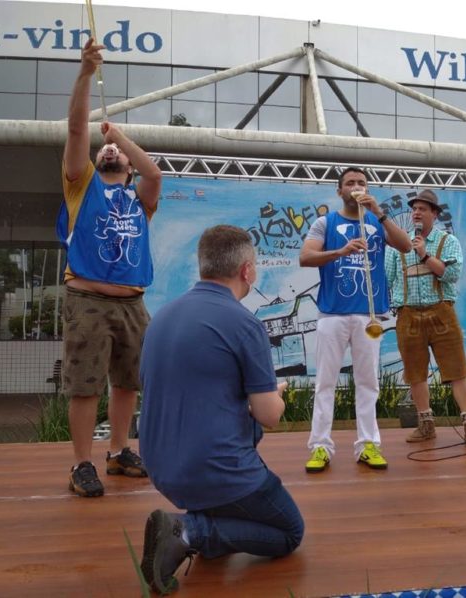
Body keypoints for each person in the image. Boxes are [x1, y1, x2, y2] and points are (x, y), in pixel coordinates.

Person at [138, 225, 304, 594]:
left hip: (161, 467)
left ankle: (201, 519)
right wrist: (274, 394)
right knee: (290, 532)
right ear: (247, 271)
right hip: (211, 469)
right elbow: (269, 416)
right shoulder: (244, 323)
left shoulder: (161, 317)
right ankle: (190, 531)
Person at [59, 38, 162, 497]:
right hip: (87, 299)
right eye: (105, 152)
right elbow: (78, 129)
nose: (108, 153)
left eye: (115, 154)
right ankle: (81, 463)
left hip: (134, 302)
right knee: (85, 385)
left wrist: (119, 137)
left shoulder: (141, 197)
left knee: (128, 382)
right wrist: (84, 73)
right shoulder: (82, 187)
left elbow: (155, 173)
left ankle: (119, 451)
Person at [299, 167, 411, 472]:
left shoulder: (376, 220)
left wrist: (380, 213)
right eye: (350, 183)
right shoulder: (326, 222)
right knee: (325, 383)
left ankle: (368, 445)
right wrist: (341, 251)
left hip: (368, 316)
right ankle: (320, 446)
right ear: (340, 191)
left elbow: (406, 246)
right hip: (332, 314)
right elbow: (305, 257)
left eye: (362, 182)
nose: (357, 187)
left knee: (368, 383)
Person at [384, 189, 466, 449]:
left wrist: (424, 254)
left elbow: (451, 275)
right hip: (408, 313)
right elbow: (389, 280)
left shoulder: (448, 241)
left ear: (434, 213)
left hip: (441, 311)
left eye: (423, 208)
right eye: (414, 208)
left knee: (457, 370)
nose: (417, 213)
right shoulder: (397, 244)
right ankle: (426, 424)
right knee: (416, 373)